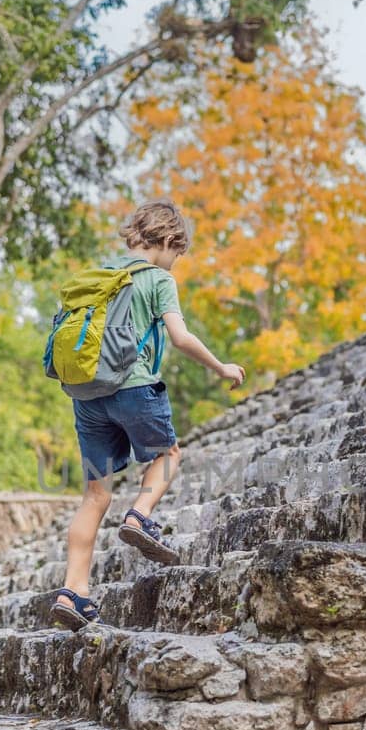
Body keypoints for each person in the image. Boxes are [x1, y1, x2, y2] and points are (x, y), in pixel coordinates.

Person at [50, 199, 245, 630]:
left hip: (86, 396)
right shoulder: (156, 280)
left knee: (94, 496)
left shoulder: (101, 276)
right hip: (134, 387)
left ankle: (73, 591)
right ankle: (140, 515)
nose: (176, 263)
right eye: (178, 254)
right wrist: (221, 367)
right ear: (170, 241)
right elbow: (180, 337)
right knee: (168, 454)